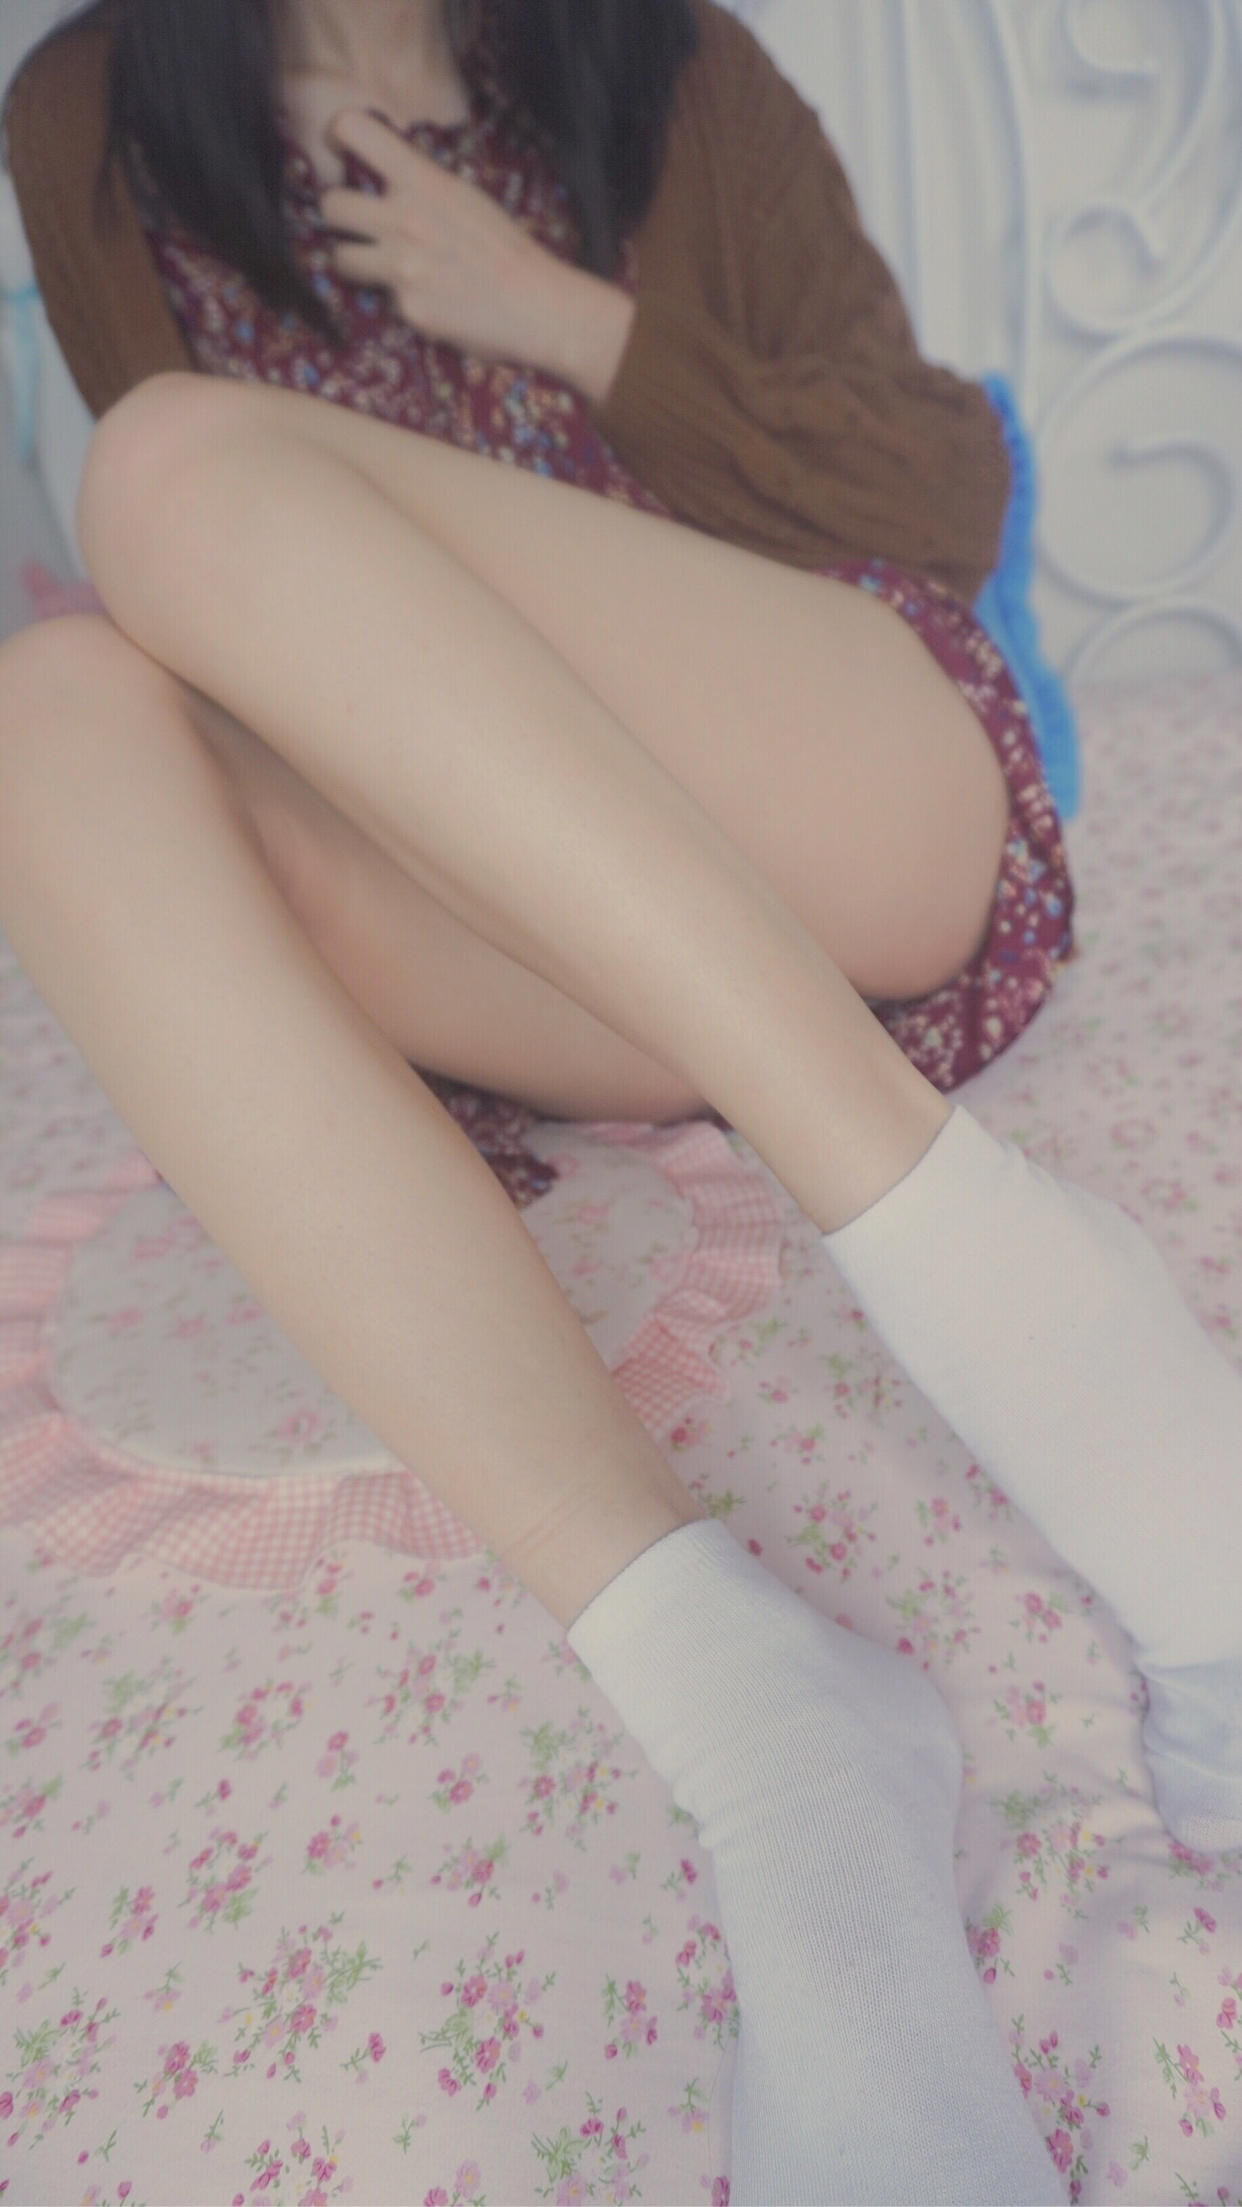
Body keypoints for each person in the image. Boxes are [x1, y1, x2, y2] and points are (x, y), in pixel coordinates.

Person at [0, 1, 1238, 2197]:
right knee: (53, 708)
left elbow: (928, 496)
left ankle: (1014, 1286)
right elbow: (216, 683)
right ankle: (748, 1703)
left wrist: (555, 317)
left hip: (843, 797)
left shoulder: (668, 67)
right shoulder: (89, 117)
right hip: (516, 936)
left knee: (170, 467)